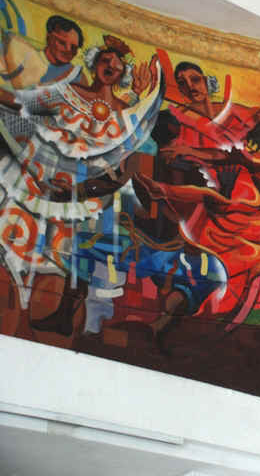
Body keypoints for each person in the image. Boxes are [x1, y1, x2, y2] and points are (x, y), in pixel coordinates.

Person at [133, 60, 260, 389]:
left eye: (195, 79)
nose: (190, 86)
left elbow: (258, 126)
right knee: (207, 275)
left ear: (206, 81)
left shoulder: (239, 121)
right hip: (236, 213)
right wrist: (186, 153)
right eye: (183, 82)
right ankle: (170, 324)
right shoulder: (181, 120)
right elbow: (218, 159)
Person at [0, 33, 161, 336]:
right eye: (105, 60)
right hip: (48, 176)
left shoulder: (125, 111)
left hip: (92, 191)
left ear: (123, 74)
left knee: (80, 253)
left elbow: (131, 160)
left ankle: (64, 315)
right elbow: (24, 103)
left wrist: (82, 191)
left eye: (117, 64)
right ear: (94, 64)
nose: (110, 66)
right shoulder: (68, 92)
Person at [0, 14, 84, 90]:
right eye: (62, 42)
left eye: (73, 48)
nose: (68, 50)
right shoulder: (23, 54)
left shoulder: (77, 75)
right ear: (49, 38)